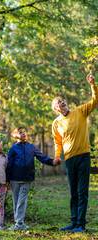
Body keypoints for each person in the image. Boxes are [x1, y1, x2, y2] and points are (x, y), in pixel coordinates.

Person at [52, 72, 98, 232]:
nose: (62, 102)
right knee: (74, 192)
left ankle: (81, 224)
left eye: (63, 100)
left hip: (84, 156)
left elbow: (95, 101)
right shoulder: (56, 123)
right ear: (55, 109)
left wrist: (92, 85)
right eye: (59, 102)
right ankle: (74, 222)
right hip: (70, 159)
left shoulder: (80, 111)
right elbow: (58, 141)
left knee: (82, 190)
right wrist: (57, 156)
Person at [6, 126, 62, 230]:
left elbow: (42, 157)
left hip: (27, 178)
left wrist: (53, 162)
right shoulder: (13, 148)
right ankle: (19, 223)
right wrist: (7, 180)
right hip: (15, 178)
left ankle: (18, 223)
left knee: (22, 200)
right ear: (15, 136)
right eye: (20, 132)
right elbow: (9, 164)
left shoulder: (31, 147)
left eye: (24, 132)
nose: (23, 134)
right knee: (16, 200)